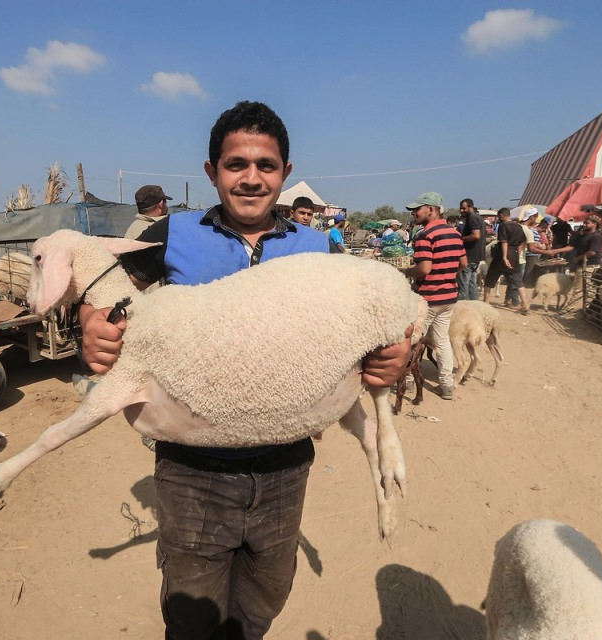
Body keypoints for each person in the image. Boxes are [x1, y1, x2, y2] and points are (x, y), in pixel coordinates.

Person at [78, 100, 411, 639]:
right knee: (192, 613)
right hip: (192, 470)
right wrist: (89, 323)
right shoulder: (171, 237)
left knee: (265, 597)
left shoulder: (320, 249)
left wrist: (391, 356)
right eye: (236, 165)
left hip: (286, 464)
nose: (252, 179)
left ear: (286, 172)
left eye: (266, 166)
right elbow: (102, 291)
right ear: (212, 172)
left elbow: (359, 331)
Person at [405, 191, 466, 400]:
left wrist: (405, 272)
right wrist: (447, 275)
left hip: (427, 298)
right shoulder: (455, 233)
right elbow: (464, 264)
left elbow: (423, 268)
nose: (414, 213)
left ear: (431, 209)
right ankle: (447, 385)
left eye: (417, 209)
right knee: (442, 341)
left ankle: (408, 380)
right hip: (448, 297)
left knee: (414, 339)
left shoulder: (425, 235)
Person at [483, 207, 529, 313]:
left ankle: (486, 302)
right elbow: (523, 242)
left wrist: (504, 257)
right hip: (514, 254)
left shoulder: (503, 226)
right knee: (518, 280)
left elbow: (504, 242)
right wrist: (518, 252)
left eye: (499, 216)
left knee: (490, 278)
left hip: (502, 255)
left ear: (502, 215)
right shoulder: (518, 226)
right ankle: (525, 305)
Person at [457, 198, 486, 300]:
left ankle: (463, 306)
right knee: (472, 284)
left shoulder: (472, 218)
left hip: (469, 257)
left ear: (471, 207)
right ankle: (474, 305)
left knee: (463, 284)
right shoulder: (478, 217)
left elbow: (476, 235)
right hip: (476, 257)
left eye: (464, 208)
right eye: (460, 208)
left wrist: (460, 239)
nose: (462, 210)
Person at [521, 207, 554, 288]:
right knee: (529, 271)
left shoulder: (532, 230)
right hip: (532, 254)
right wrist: (542, 247)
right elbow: (534, 245)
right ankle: (526, 285)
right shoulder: (534, 231)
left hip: (531, 253)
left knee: (528, 270)